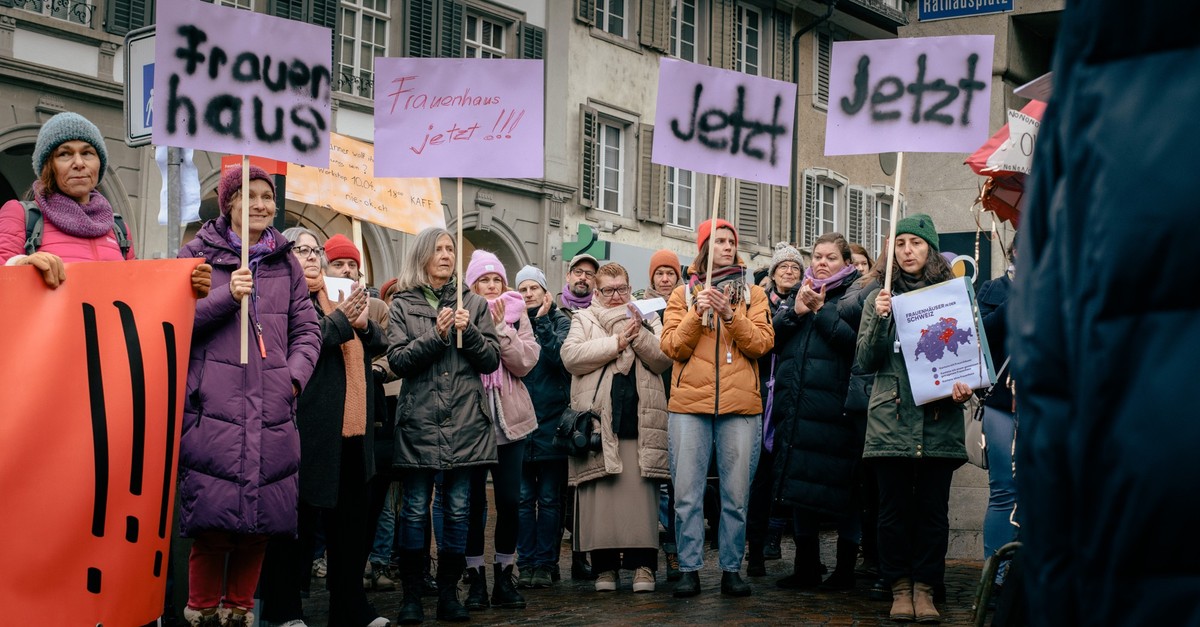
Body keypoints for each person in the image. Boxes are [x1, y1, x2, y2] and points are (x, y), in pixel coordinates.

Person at [176, 165, 321, 627]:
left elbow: (308, 329)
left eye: (267, 197)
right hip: (213, 411)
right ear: (229, 203)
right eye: (250, 195)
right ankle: (200, 612)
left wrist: (292, 379)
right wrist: (225, 296)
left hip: (272, 409)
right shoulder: (196, 254)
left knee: (258, 527)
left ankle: (240, 614)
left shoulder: (286, 262)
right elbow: (176, 321)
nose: (261, 204)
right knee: (213, 527)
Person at [257, 229, 390, 627]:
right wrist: (341, 320)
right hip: (304, 426)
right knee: (295, 522)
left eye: (316, 250)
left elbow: (376, 340)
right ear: (286, 255)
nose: (312, 256)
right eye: (302, 249)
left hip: (352, 427)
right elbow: (306, 339)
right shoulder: (280, 294)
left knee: (350, 523)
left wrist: (364, 326)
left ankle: (349, 605)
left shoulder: (335, 292)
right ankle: (286, 609)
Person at [855, 214, 970, 623]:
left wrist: (966, 384)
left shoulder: (953, 296)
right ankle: (899, 588)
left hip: (940, 419)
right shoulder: (877, 299)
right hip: (892, 419)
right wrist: (882, 318)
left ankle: (926, 588)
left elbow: (968, 354)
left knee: (933, 513)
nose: (907, 251)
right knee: (893, 513)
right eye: (900, 243)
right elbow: (864, 361)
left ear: (930, 249)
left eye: (916, 243)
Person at [385, 227, 500, 624]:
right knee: (414, 511)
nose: (447, 254)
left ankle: (450, 595)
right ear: (422, 256)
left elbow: (491, 362)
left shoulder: (473, 304)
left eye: (451, 248)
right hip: (419, 423)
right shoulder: (403, 303)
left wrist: (468, 332)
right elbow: (398, 360)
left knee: (457, 510)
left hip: (466, 424)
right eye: (439, 248)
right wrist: (436, 335)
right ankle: (413, 596)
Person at [660, 218, 774, 598]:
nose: (727, 246)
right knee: (687, 494)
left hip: (741, 407)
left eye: (731, 241)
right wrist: (697, 313)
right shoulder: (682, 294)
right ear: (705, 248)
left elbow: (760, 344)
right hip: (689, 406)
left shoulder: (753, 294)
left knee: (736, 496)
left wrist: (730, 314)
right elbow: (673, 347)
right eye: (719, 241)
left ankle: (730, 569)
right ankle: (690, 569)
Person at [0, 111, 210, 294]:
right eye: (65, 154)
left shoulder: (118, 229)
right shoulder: (21, 216)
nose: (79, 163)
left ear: (99, 163)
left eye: (87, 153)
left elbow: (136, 294)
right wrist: (21, 266)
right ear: (48, 166)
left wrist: (187, 288)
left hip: (105, 340)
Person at [560, 262, 673, 593]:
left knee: (641, 500)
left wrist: (637, 336)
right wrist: (616, 343)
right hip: (599, 423)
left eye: (621, 288)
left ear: (630, 287)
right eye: (608, 290)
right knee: (601, 500)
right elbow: (571, 356)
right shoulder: (584, 318)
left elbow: (664, 357)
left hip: (640, 419)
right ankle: (605, 569)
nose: (615, 296)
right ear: (597, 292)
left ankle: (643, 568)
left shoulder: (647, 316)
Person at [769, 234, 862, 591]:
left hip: (836, 409)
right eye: (818, 256)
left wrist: (822, 312)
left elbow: (854, 345)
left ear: (846, 262)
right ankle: (806, 566)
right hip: (798, 407)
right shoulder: (799, 292)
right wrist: (796, 312)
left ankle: (844, 569)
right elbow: (772, 340)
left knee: (845, 491)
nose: (822, 263)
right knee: (800, 485)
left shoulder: (856, 294)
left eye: (831, 258)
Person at [461, 250, 539, 612]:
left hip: (512, 420)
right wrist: (479, 328)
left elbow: (526, 361)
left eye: (496, 279)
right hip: (472, 422)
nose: (491, 286)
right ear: (472, 285)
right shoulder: (464, 314)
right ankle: (474, 577)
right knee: (472, 505)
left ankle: (505, 574)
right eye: (483, 280)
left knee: (509, 502)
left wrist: (502, 329)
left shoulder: (517, 313)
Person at [747, 242, 805, 576]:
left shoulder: (808, 302)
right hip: (761, 398)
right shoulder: (760, 305)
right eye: (783, 267)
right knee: (761, 480)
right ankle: (755, 551)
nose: (788, 272)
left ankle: (801, 553)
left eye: (795, 268)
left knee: (793, 478)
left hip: (792, 399)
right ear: (772, 273)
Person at [513, 266, 573, 589]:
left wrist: (542, 322)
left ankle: (546, 564)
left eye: (533, 288)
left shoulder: (561, 321)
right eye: (522, 289)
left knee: (550, 499)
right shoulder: (511, 322)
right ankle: (526, 563)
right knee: (523, 499)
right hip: (521, 425)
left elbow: (560, 360)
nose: (528, 294)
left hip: (551, 426)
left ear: (545, 292)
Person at [633, 248, 684, 582]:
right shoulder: (640, 307)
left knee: (677, 487)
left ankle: (675, 553)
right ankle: (649, 554)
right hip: (649, 401)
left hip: (680, 399)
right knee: (655, 487)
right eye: (660, 274)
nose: (665, 279)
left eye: (671, 274)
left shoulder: (687, 305)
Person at [975, 241, 1017, 599]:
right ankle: (996, 579)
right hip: (1003, 404)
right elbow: (978, 335)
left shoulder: (1059, 287)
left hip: (1046, 402)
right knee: (1004, 491)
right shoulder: (994, 290)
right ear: (1013, 253)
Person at [556, 252, 600, 581]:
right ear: (568, 276)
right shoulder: (555, 311)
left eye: (589, 274)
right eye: (578, 272)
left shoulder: (601, 315)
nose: (583, 277)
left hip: (588, 410)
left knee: (583, 489)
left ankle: (581, 556)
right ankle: (548, 560)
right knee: (557, 491)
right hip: (556, 410)